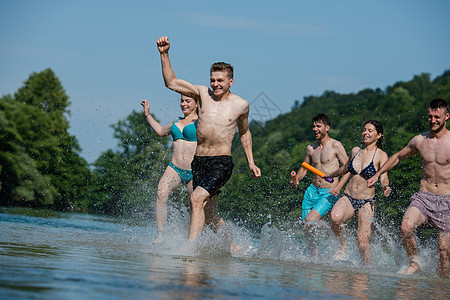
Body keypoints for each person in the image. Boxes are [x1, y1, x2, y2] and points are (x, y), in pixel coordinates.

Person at [156, 35, 261, 242]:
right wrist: (165, 54)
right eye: (212, 80)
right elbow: (171, 82)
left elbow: (244, 132)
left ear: (231, 81)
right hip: (199, 161)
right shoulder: (202, 94)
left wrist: (251, 162)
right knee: (209, 213)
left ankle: (190, 249)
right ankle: (234, 246)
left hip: (221, 162)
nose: (215, 84)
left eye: (220, 80)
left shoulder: (241, 105)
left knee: (196, 199)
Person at [367, 98, 450, 278]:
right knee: (406, 227)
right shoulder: (420, 140)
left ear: (447, 117)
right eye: (430, 116)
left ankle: (441, 287)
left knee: (444, 252)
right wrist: (378, 174)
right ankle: (415, 262)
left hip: (447, 202)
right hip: (424, 196)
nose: (433, 120)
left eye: (437, 117)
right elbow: (397, 157)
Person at [142, 96, 216, 243]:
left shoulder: (201, 122)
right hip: (174, 168)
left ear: (196, 104)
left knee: (197, 208)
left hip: (195, 172)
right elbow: (162, 131)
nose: (183, 104)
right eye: (182, 101)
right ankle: (161, 236)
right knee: (161, 194)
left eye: (187, 101)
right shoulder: (176, 121)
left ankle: (195, 240)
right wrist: (147, 115)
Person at [324, 120, 391, 266]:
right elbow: (345, 169)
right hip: (348, 197)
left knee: (362, 242)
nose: (365, 133)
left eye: (370, 131)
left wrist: (386, 186)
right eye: (364, 130)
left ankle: (368, 268)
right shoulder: (355, 150)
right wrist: (330, 174)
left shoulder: (381, 155)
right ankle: (343, 245)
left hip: (366, 202)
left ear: (379, 135)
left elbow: (384, 176)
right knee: (335, 218)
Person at [291, 113, 350, 256]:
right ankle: (315, 255)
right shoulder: (311, 148)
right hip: (312, 191)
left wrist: (339, 186)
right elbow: (305, 168)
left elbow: (349, 168)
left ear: (327, 127)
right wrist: (297, 179)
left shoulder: (336, 145)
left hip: (329, 191)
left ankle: (340, 238)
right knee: (306, 226)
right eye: (313, 126)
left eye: (318, 126)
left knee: (310, 220)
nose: (315, 129)